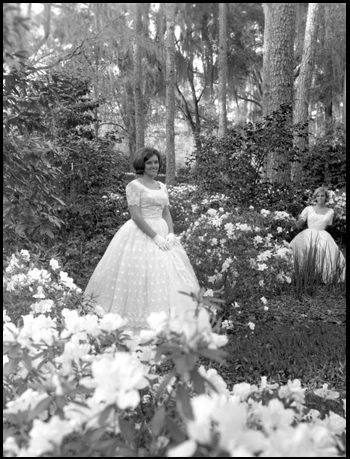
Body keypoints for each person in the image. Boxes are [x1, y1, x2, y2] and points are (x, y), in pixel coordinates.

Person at [84, 146, 200, 334]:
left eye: (156, 162)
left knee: (168, 273)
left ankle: (169, 319)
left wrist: (170, 233)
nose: (154, 166)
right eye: (150, 163)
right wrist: (155, 237)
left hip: (163, 232)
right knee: (140, 274)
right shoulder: (134, 186)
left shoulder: (162, 186)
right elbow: (136, 216)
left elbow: (166, 212)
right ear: (142, 164)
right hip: (140, 233)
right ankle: (136, 321)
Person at [289, 186, 346, 283]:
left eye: (322, 196)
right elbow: (299, 223)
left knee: (323, 251)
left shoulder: (330, 211)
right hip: (308, 233)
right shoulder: (308, 209)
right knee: (303, 250)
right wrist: (290, 222)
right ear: (315, 197)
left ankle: (319, 276)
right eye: (318, 196)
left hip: (322, 234)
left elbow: (327, 224)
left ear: (326, 198)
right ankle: (303, 274)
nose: (320, 198)